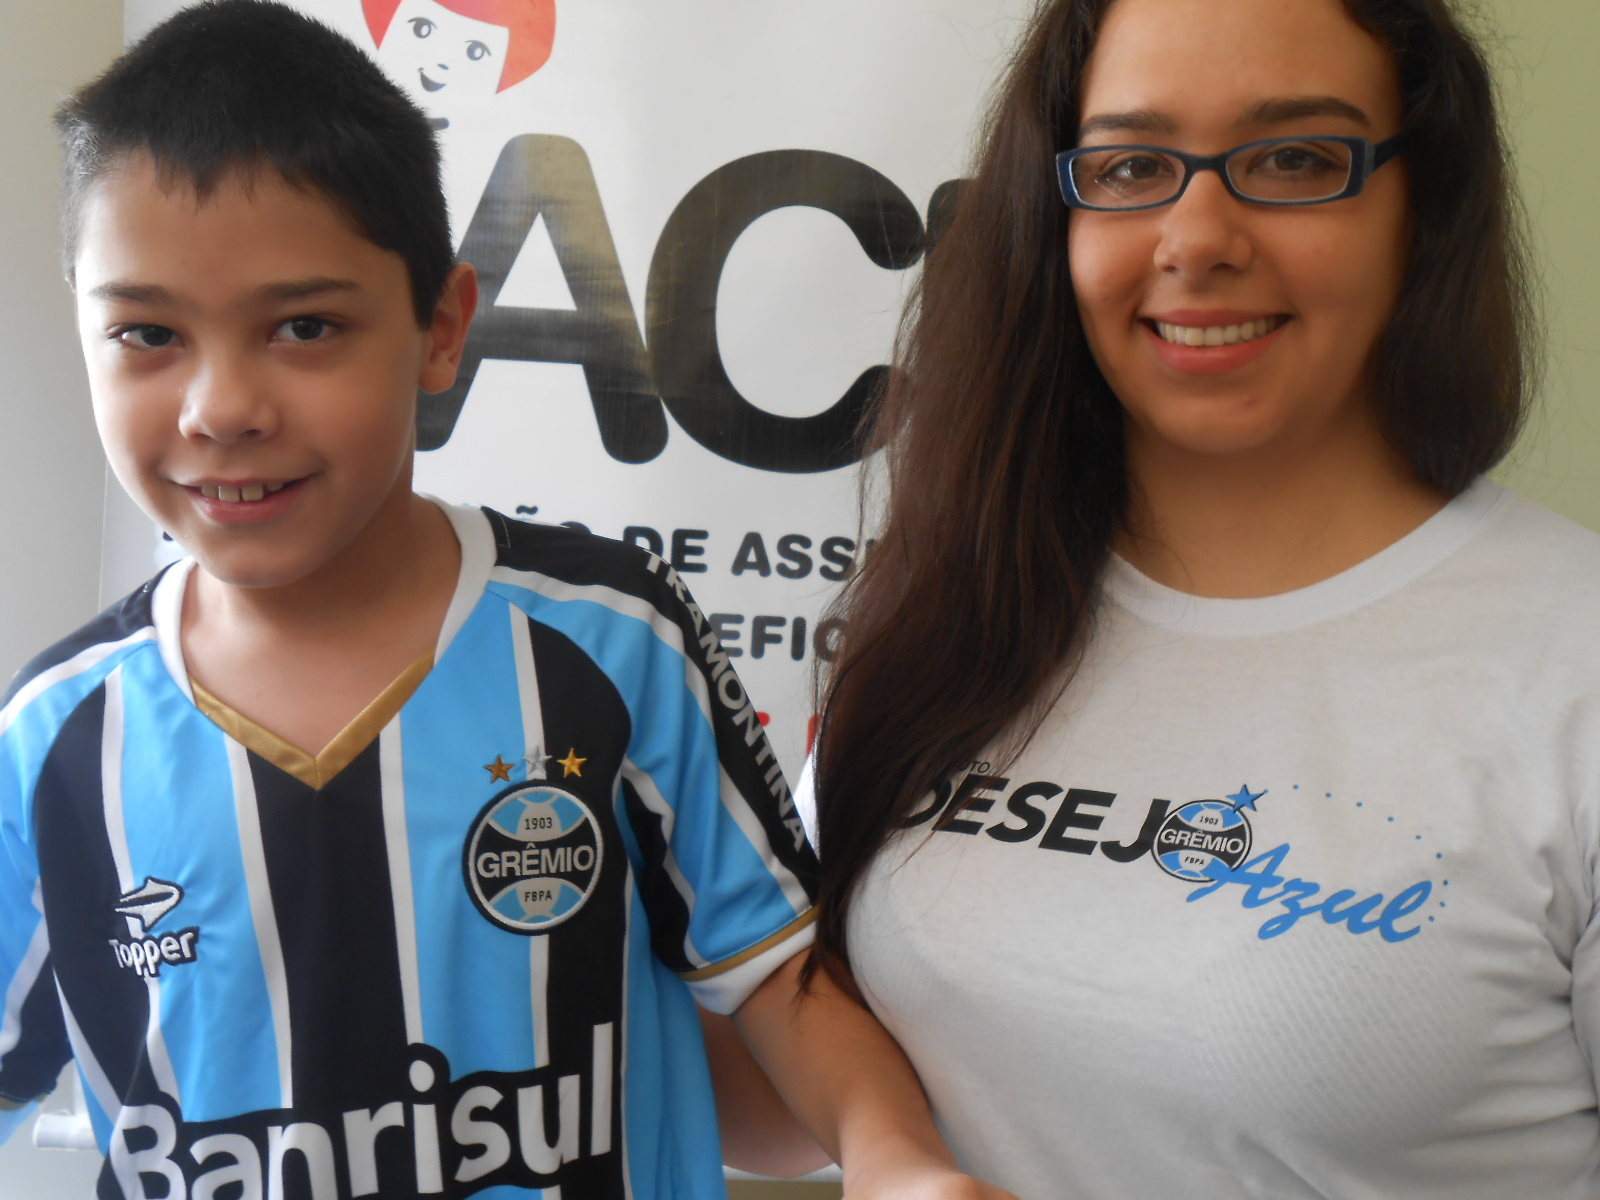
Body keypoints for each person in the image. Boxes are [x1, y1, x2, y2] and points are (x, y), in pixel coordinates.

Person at [0, 4, 1014, 1198]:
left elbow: (779, 975)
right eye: (147, 332)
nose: (221, 406)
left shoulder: (611, 641)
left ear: (441, 331)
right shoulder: (53, 738)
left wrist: (898, 1160)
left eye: (304, 326)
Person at [808, 0, 1598, 1196]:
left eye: (1293, 159)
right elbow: (784, 1101)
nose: (1196, 236)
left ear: (1419, 203)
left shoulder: (1571, 659)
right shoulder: (943, 608)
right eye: (1130, 166)